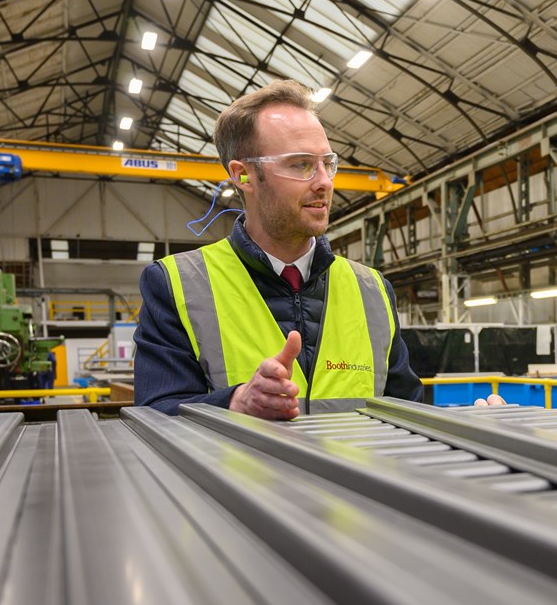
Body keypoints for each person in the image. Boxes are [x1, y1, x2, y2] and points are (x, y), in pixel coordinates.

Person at [134, 80, 422, 419]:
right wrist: (236, 403)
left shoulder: (372, 289)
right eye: (301, 164)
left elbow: (408, 411)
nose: (324, 182)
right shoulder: (176, 284)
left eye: (326, 163)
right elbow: (155, 416)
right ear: (243, 176)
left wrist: (474, 421)